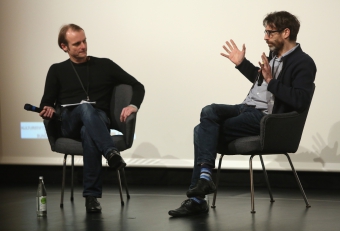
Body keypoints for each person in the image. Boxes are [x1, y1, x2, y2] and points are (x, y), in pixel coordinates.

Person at [168, 11, 316, 217]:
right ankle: (204, 180)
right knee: (209, 111)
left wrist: (272, 81)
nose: (265, 36)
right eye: (265, 31)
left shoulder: (303, 62)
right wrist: (241, 64)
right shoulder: (274, 55)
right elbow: (262, 83)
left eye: (270, 32)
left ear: (286, 32)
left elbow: (300, 100)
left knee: (200, 131)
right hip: (245, 107)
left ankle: (197, 196)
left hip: (265, 119)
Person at [39, 24, 145, 213]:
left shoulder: (104, 65)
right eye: (77, 43)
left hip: (98, 121)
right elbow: (47, 102)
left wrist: (132, 105)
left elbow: (137, 85)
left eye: (84, 41)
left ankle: (91, 199)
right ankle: (111, 153)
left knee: (89, 130)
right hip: (69, 122)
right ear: (64, 47)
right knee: (85, 107)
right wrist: (46, 109)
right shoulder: (57, 70)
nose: (83, 46)